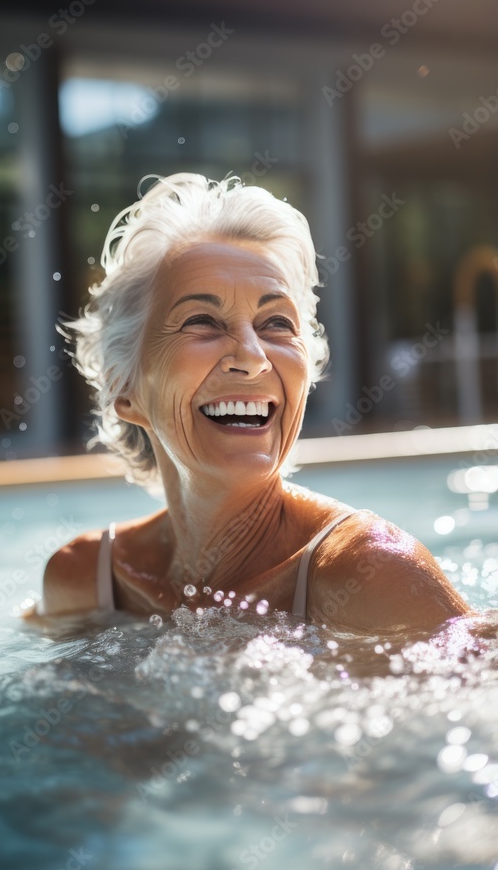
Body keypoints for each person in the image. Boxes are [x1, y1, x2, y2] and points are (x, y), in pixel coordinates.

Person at [35, 173, 471, 634]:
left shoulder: (370, 573)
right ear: (125, 389)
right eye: (202, 321)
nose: (253, 358)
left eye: (276, 323)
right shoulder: (85, 579)